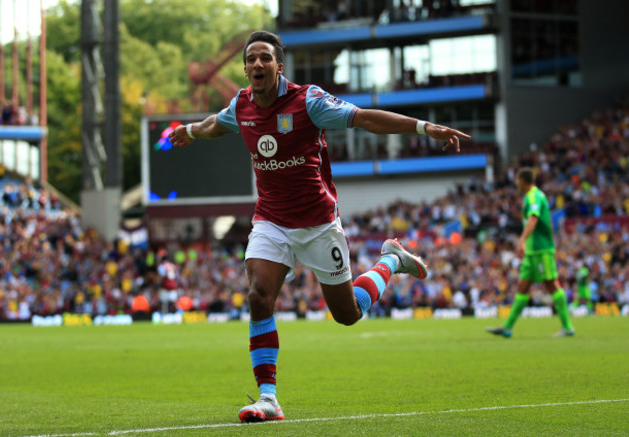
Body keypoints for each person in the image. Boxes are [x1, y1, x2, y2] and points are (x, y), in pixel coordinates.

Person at [168, 30, 470, 423]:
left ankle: (391, 262)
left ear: (279, 66)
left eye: (265, 58)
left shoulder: (307, 101)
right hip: (271, 220)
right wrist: (189, 132)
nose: (257, 64)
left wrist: (423, 127)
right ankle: (268, 398)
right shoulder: (240, 105)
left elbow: (364, 119)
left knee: (347, 314)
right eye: (251, 59)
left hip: (318, 224)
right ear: (244, 68)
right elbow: (215, 124)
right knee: (259, 296)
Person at [487, 167, 575, 339]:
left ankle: (567, 327)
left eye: (517, 181)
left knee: (551, 284)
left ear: (522, 180)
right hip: (533, 251)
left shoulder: (534, 196)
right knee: (522, 286)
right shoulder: (532, 196)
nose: (516, 184)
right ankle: (508, 327)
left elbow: (533, 218)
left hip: (541, 249)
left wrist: (521, 240)